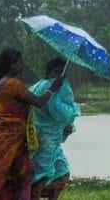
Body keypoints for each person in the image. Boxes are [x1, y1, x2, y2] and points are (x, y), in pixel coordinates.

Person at [0, 48, 63, 200]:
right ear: (13, 64)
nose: (23, 65)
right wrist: (53, 87)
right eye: (20, 62)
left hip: (8, 138)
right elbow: (38, 102)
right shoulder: (14, 84)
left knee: (22, 174)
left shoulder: (2, 82)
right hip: (7, 139)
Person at [29, 58, 81, 200]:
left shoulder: (37, 86)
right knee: (41, 176)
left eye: (62, 72)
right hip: (45, 141)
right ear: (49, 72)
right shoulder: (54, 87)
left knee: (62, 172)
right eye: (56, 72)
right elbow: (61, 113)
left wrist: (65, 129)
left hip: (45, 139)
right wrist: (74, 111)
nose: (60, 75)